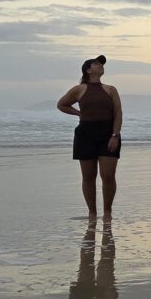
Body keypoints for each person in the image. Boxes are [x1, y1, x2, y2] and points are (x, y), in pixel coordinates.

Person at [57, 55, 123, 220]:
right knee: (88, 176)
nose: (101, 66)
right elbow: (61, 104)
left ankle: (107, 211)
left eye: (102, 64)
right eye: (97, 64)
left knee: (108, 176)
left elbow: (118, 113)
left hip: (108, 134)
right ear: (88, 69)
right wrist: (79, 113)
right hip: (85, 135)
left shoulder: (111, 89)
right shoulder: (79, 89)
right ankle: (92, 212)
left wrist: (115, 135)